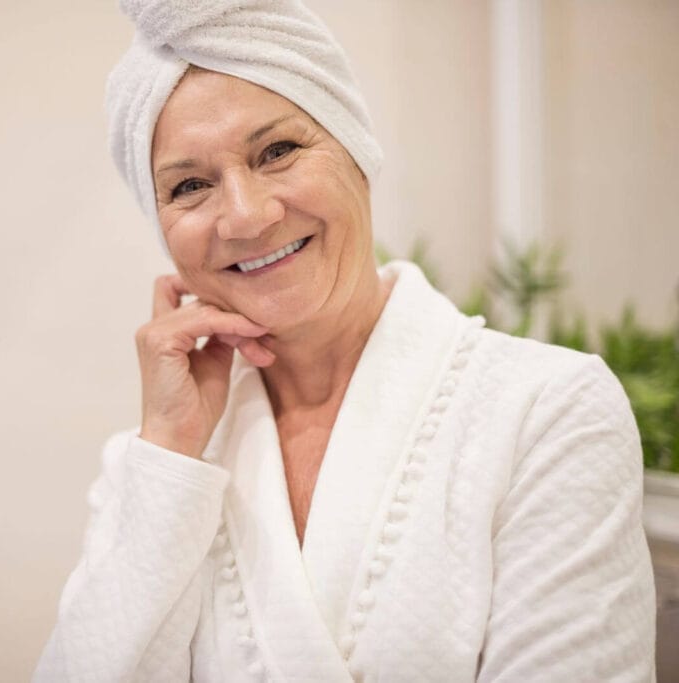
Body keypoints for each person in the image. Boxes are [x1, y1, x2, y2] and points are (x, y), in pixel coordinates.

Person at [35, 1, 657, 681]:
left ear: (357, 147)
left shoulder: (549, 412)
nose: (245, 215)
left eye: (277, 150)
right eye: (189, 185)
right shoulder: (155, 462)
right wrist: (170, 451)